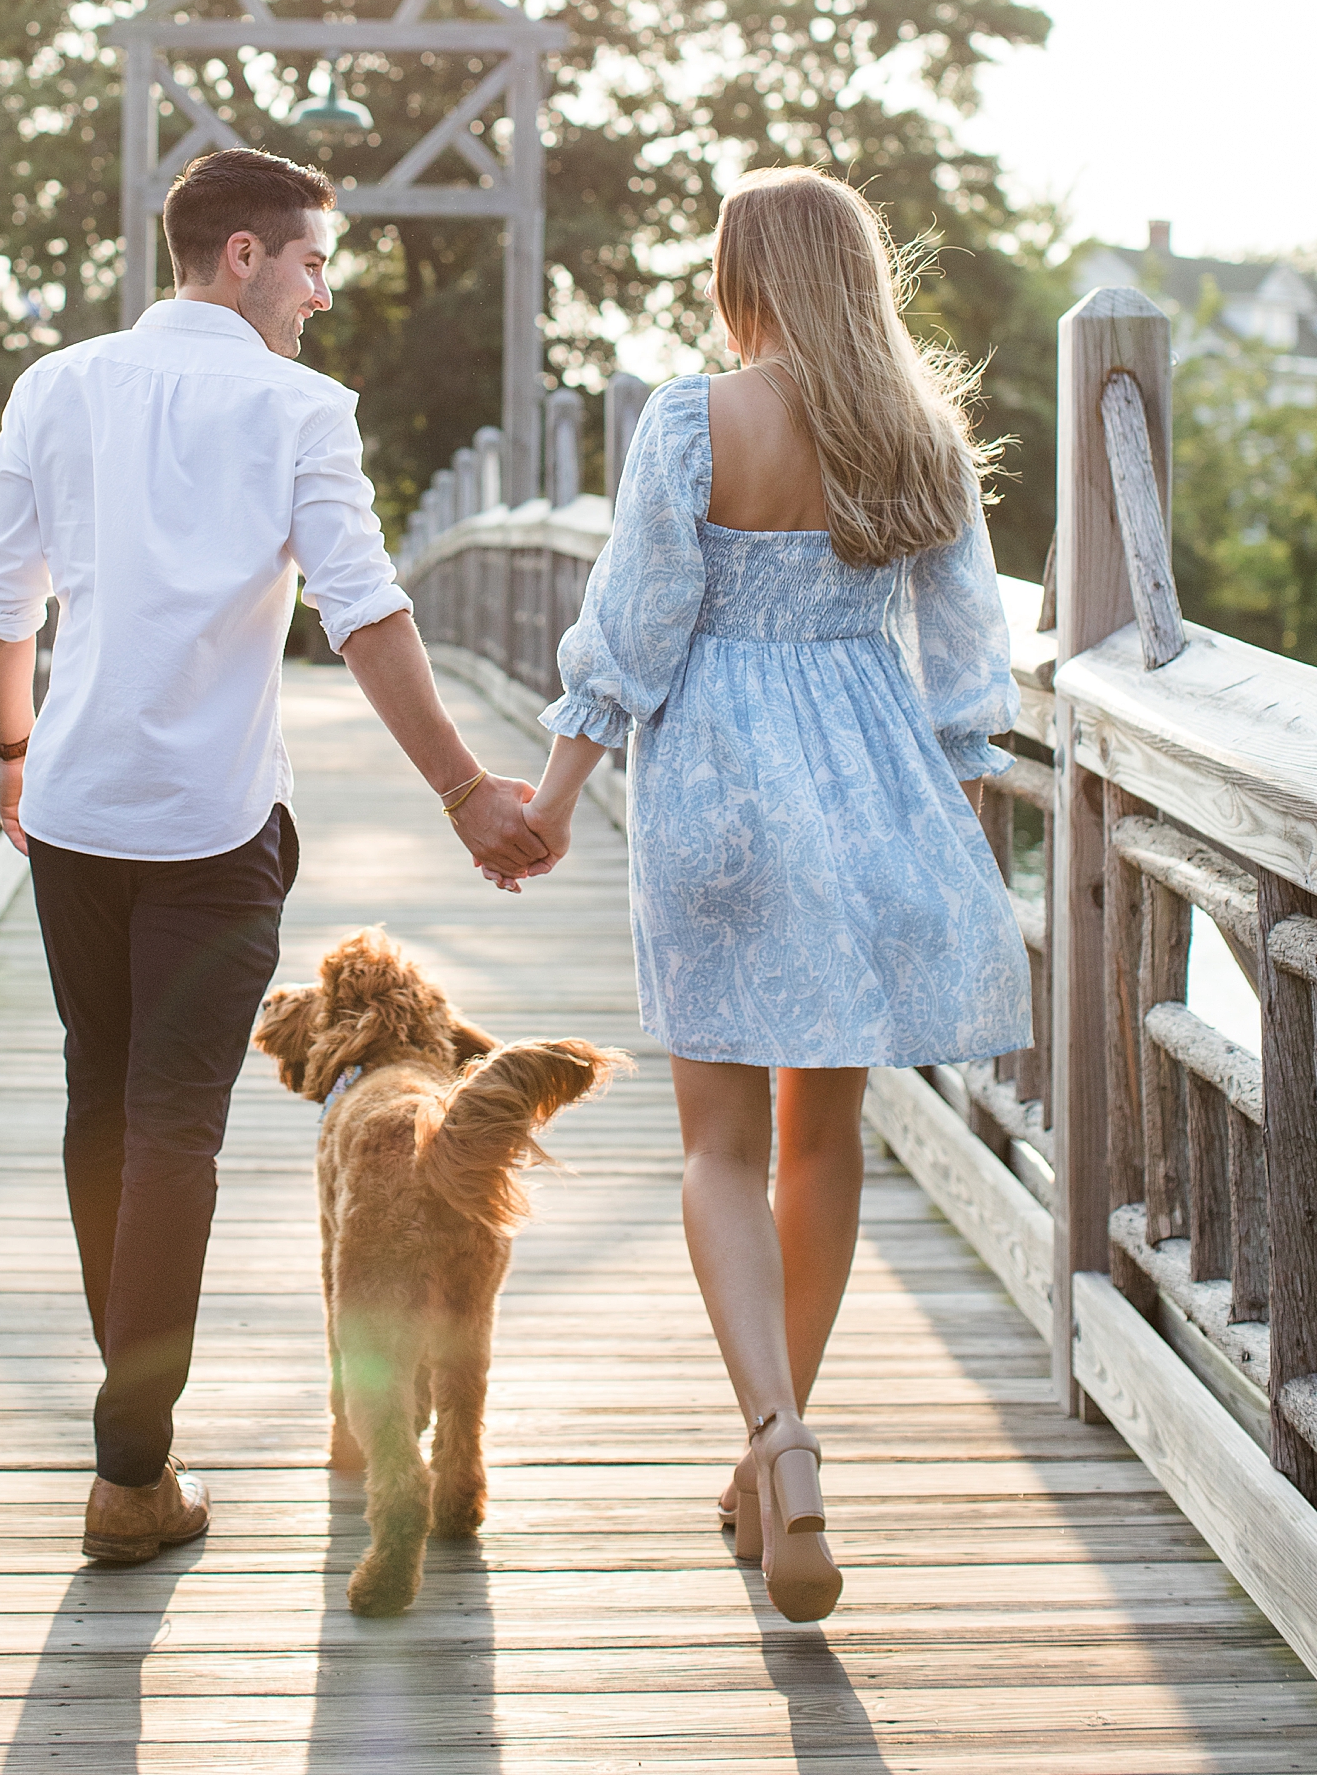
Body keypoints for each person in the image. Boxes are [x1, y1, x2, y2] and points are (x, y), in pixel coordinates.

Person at [0, 146, 549, 1569]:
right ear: (240, 255)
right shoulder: (299, 408)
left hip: (77, 810)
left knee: (96, 1091)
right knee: (177, 1121)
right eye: (308, 263)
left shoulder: (56, 386)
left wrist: (13, 750)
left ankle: (135, 1450)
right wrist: (467, 787)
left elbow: (0, 597)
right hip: (217, 825)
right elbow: (365, 611)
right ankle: (130, 1465)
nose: (322, 294)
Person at [515, 166, 1030, 1622]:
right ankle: (788, 1439)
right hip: (872, 793)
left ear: (744, 277)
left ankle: (772, 1437)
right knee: (825, 1136)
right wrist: (943, 845)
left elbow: (631, 628)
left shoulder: (696, 420)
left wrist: (548, 801)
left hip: (718, 799)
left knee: (718, 1145)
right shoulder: (916, 431)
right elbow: (968, 673)